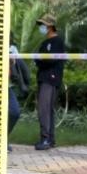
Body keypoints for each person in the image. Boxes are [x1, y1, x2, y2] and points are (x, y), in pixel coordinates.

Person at [33, 14, 65, 150]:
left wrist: (41, 60)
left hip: (50, 79)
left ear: (50, 26)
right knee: (46, 109)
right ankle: (49, 139)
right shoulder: (45, 43)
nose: (41, 27)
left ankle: (46, 138)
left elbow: (50, 60)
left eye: (43, 24)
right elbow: (39, 59)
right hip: (43, 78)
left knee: (44, 109)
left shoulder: (57, 42)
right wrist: (40, 60)